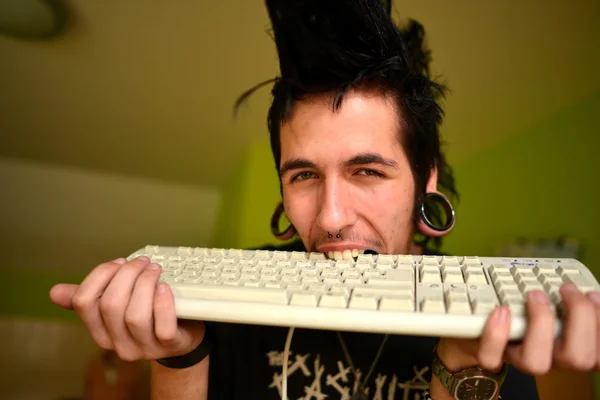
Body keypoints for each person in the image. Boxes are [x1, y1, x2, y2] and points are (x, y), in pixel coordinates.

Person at [49, 0, 600, 399]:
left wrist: (461, 366)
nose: (331, 216)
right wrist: (179, 353)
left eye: (367, 171)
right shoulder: (221, 313)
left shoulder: (498, 330)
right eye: (305, 176)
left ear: (424, 181)